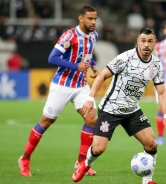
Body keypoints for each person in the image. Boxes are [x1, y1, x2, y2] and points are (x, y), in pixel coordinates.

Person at [72, 27, 166, 184]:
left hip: (132, 110)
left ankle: (147, 181)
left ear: (155, 43)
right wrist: (91, 98)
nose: (146, 45)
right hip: (110, 109)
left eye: (150, 41)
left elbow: (162, 92)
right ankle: (85, 164)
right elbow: (102, 76)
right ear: (138, 41)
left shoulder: (156, 65)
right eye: (143, 41)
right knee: (98, 149)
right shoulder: (125, 58)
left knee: (152, 144)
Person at [18, 5, 99, 177]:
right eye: (90, 18)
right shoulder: (70, 35)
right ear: (81, 18)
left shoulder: (94, 36)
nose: (93, 22)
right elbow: (52, 58)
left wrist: (92, 66)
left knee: (92, 120)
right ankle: (25, 159)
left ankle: (81, 163)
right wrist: (76, 66)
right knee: (46, 122)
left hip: (81, 85)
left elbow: (87, 54)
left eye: (95, 19)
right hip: (62, 84)